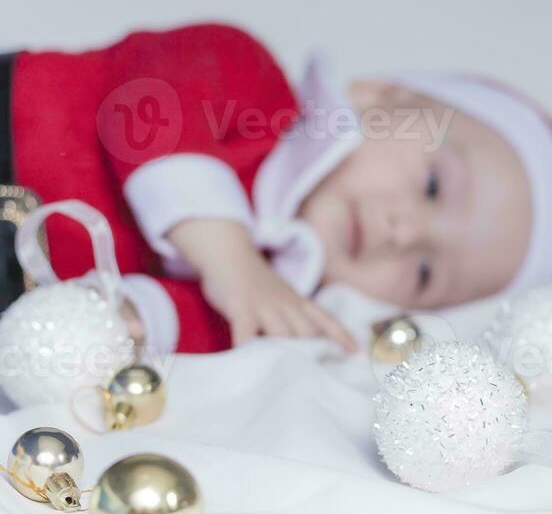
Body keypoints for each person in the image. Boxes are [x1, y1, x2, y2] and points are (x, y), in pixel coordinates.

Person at [1, 24, 547, 354]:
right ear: (382, 100)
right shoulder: (251, 82)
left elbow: (193, 325)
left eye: (426, 273)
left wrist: (128, 325)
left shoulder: (273, 304)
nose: (403, 233)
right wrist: (229, 255)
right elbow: (150, 101)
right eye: (432, 186)